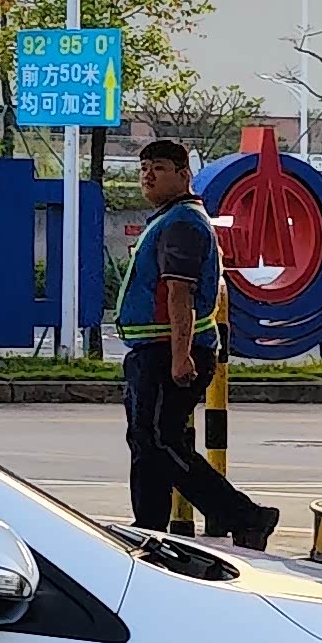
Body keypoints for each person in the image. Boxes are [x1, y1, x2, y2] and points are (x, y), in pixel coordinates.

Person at [119, 139, 276, 548]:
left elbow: (179, 292)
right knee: (147, 441)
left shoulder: (183, 224)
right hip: (153, 349)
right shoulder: (170, 219)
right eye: (143, 168)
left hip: (167, 351)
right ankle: (149, 527)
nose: (148, 176)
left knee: (159, 441)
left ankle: (245, 515)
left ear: (183, 174)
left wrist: (180, 355)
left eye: (158, 167)